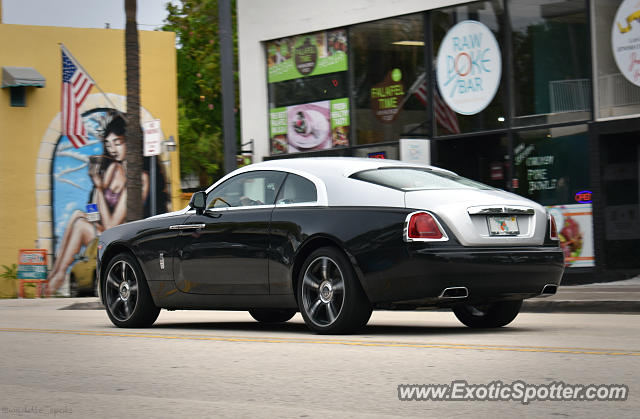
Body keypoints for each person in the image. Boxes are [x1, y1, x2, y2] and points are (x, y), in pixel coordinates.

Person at [46, 114, 149, 296]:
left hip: (118, 234)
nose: (113, 149)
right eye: (109, 145)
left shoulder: (140, 178)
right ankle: (56, 273)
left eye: (117, 143)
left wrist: (99, 186)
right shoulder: (114, 169)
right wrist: (97, 188)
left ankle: (57, 279)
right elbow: (96, 208)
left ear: (130, 142)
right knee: (78, 215)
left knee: (79, 225)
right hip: (105, 229)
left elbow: (111, 225)